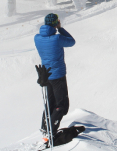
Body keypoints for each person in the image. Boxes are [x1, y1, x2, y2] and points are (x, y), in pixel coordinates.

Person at [34, 13, 76, 143]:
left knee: (50, 103)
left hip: (46, 75)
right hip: (58, 75)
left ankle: (45, 128)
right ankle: (51, 130)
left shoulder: (37, 38)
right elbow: (71, 41)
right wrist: (61, 28)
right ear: (55, 23)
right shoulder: (57, 38)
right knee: (61, 105)